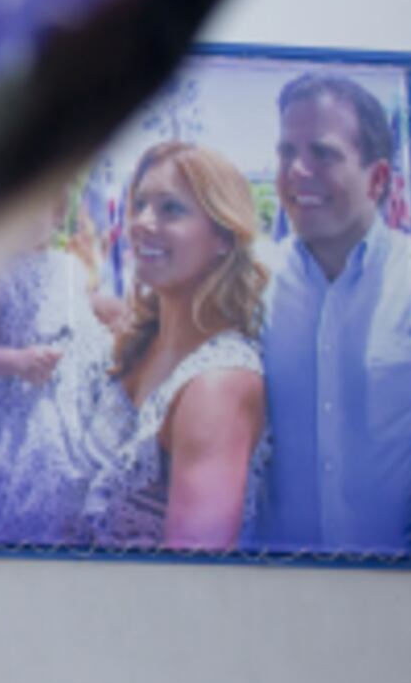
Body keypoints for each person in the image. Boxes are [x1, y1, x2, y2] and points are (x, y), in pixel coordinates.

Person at [80, 141, 271, 548]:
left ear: (222, 237)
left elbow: (193, 580)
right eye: (140, 204)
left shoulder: (218, 385)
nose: (143, 222)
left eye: (171, 209)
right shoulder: (139, 341)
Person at [258, 73, 411, 551]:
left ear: (379, 179)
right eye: (287, 152)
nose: (297, 170)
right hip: (272, 593)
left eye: (322, 153)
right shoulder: (251, 283)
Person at [0, 192, 120, 543]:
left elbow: (76, 313)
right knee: (15, 489)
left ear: (57, 214)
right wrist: (17, 361)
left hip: (73, 404)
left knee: (73, 484)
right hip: (18, 412)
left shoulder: (69, 266)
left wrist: (110, 316)